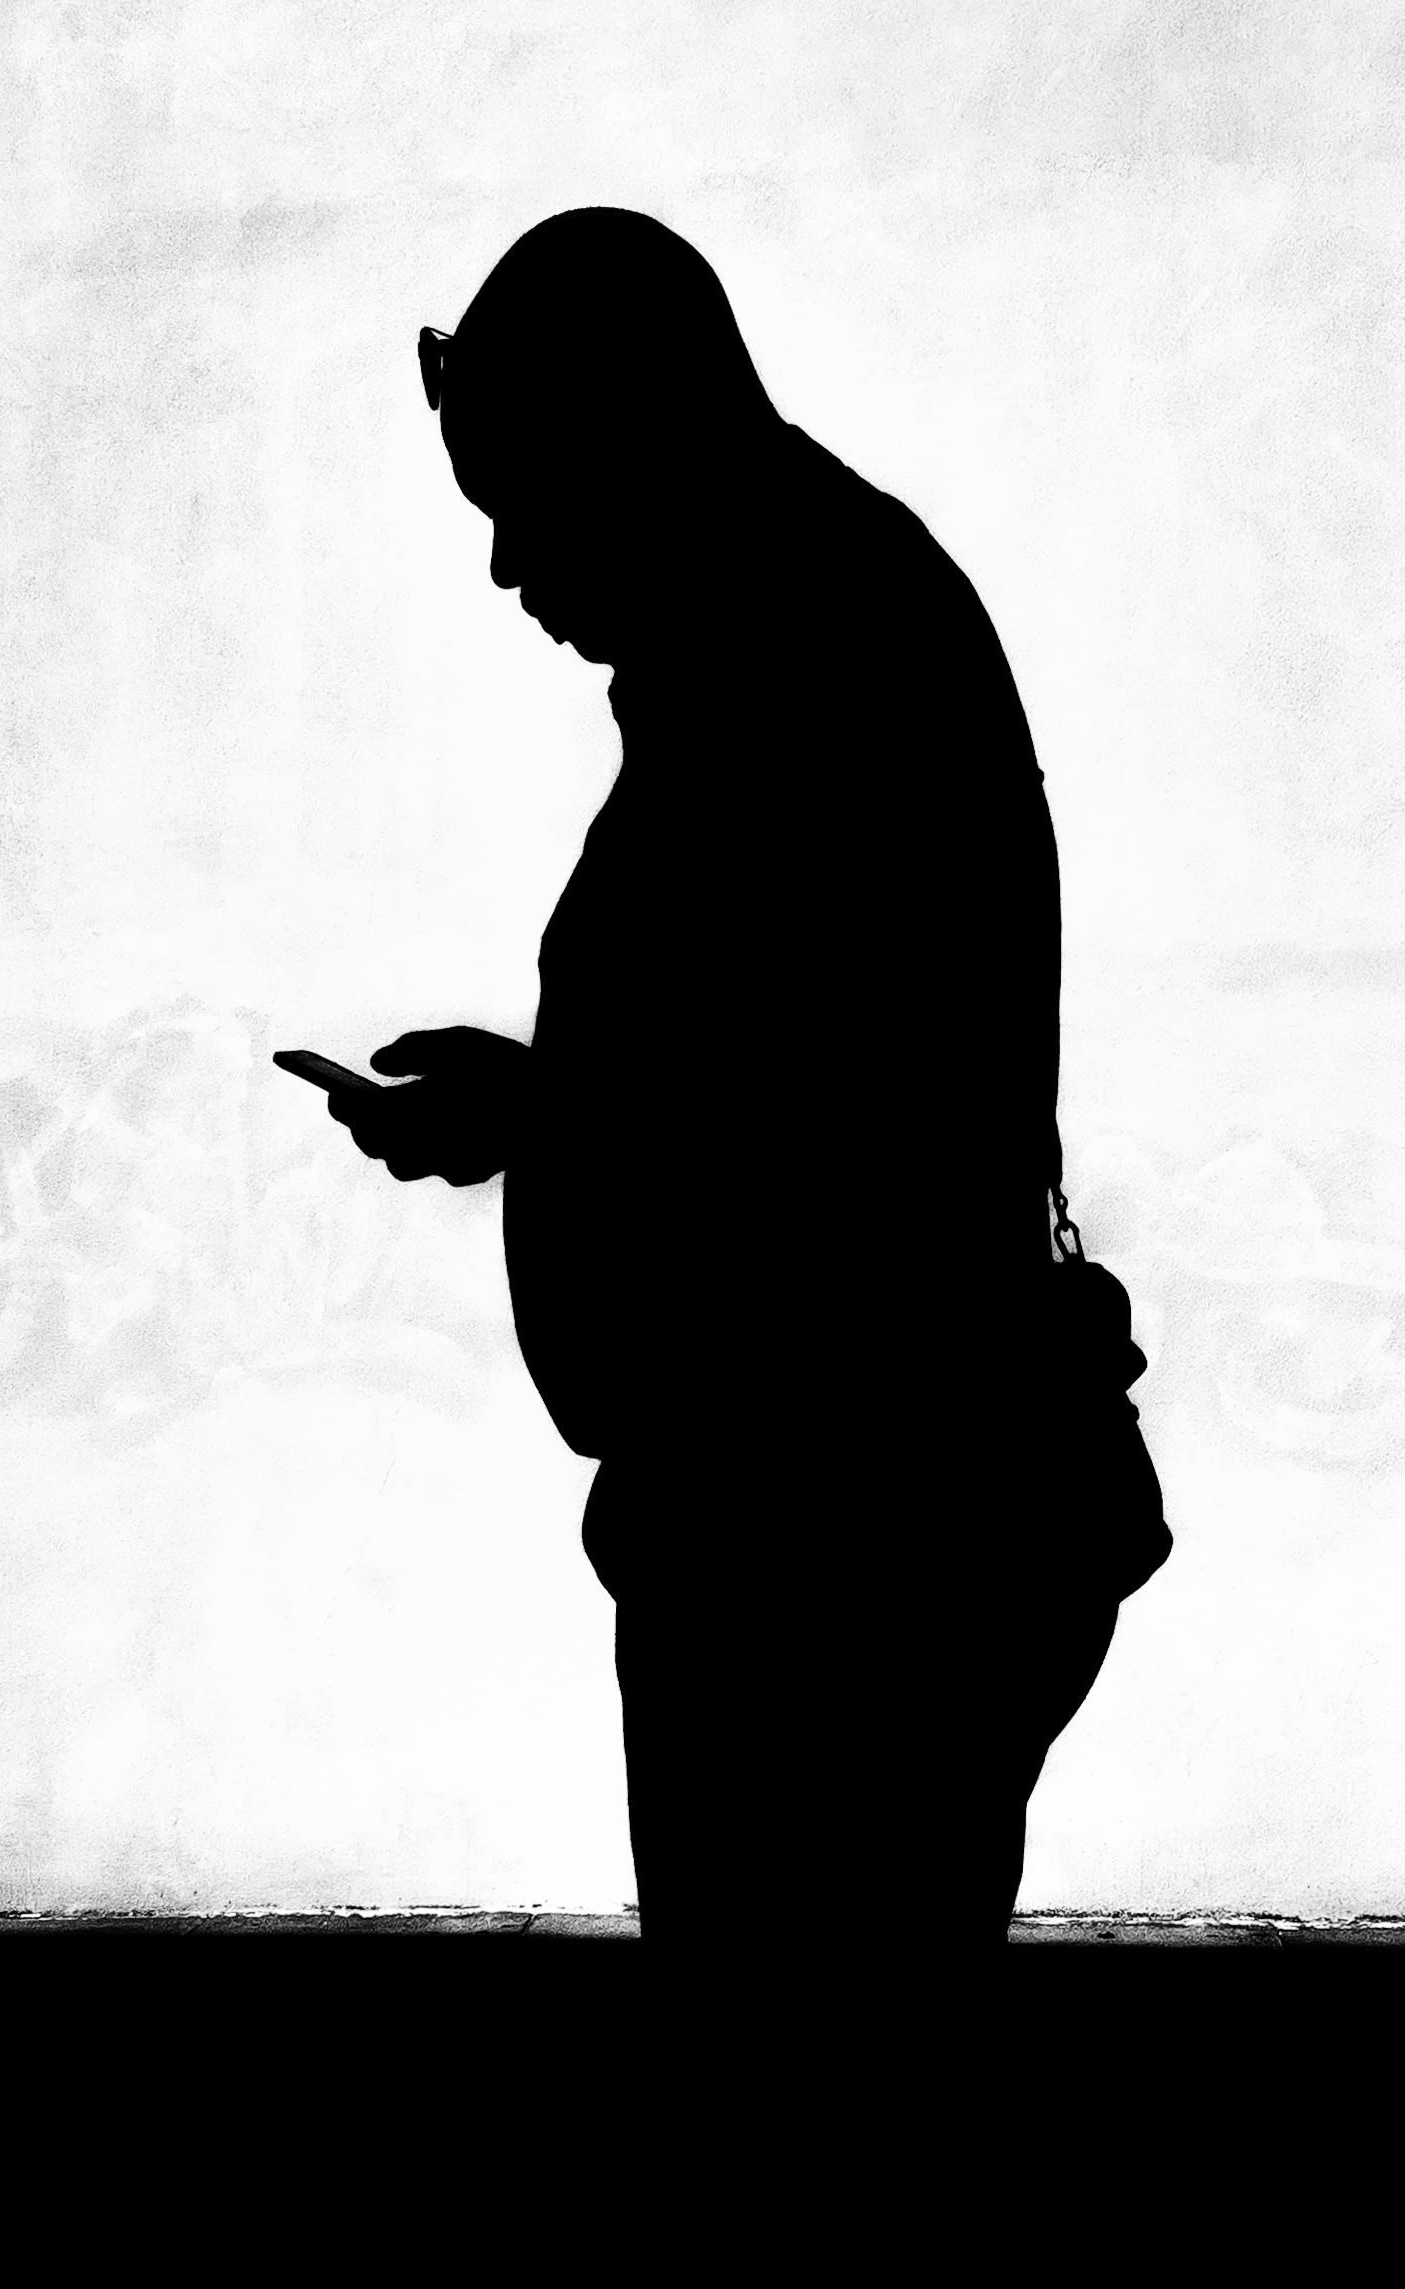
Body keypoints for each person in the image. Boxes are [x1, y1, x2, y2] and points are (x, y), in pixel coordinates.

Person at [320, 209, 1123, 1950]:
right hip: (832, 1528)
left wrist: (550, 1114)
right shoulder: (806, 626)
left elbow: (823, 1136)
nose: (507, 569)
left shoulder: (808, 657)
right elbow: (775, 1069)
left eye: (524, 502)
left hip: (833, 1553)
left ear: (630, 444)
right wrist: (542, 1107)